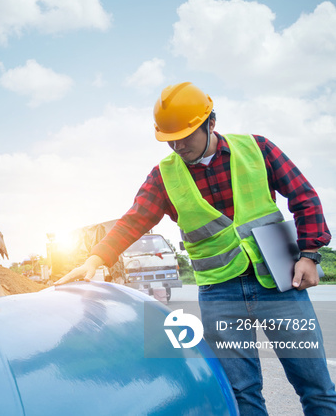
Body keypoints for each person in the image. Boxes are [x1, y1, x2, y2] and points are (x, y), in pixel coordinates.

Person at [55, 82, 336, 415]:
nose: (178, 144)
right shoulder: (164, 176)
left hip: (280, 286)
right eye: (170, 138)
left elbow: (303, 196)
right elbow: (134, 219)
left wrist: (309, 255)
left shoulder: (257, 148)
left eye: (186, 135)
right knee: (242, 393)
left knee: (316, 388)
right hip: (221, 294)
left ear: (211, 124)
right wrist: (96, 258)